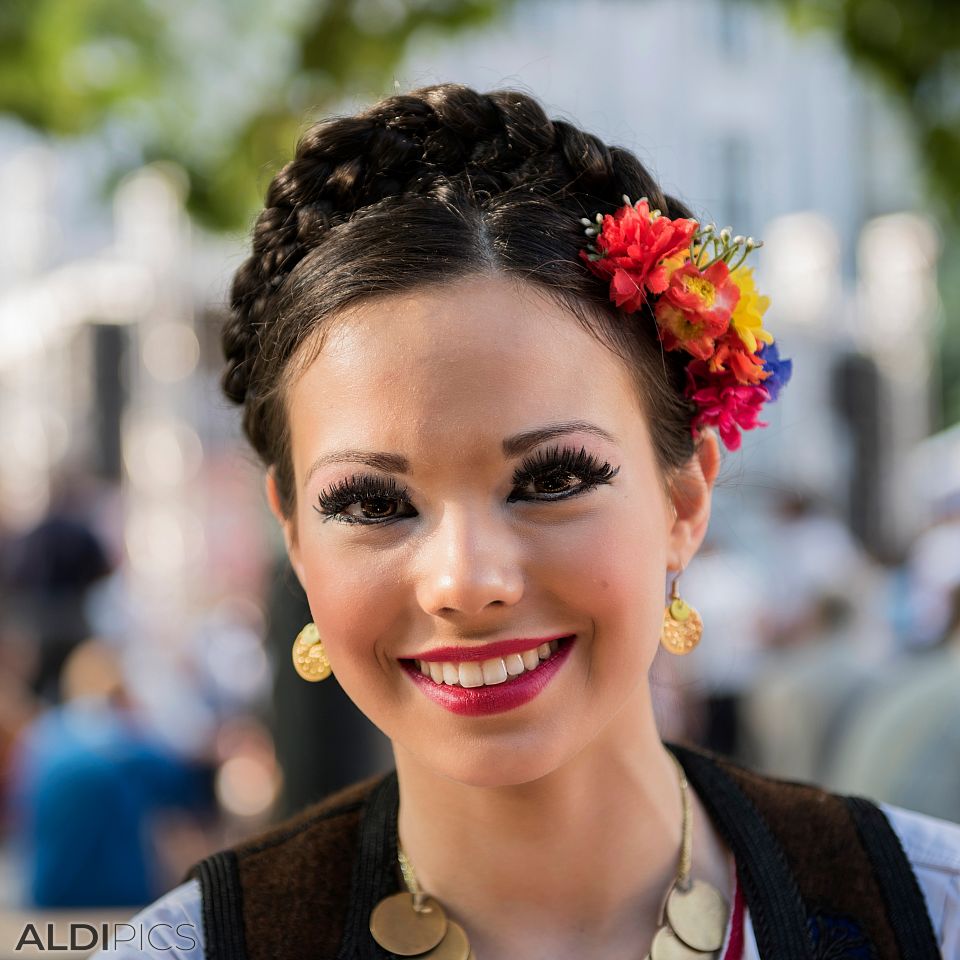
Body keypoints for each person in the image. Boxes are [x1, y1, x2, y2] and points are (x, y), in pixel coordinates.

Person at [94, 83, 960, 958]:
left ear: (684, 500)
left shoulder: (930, 914)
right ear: (294, 536)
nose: (467, 580)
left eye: (552, 480)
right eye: (370, 503)